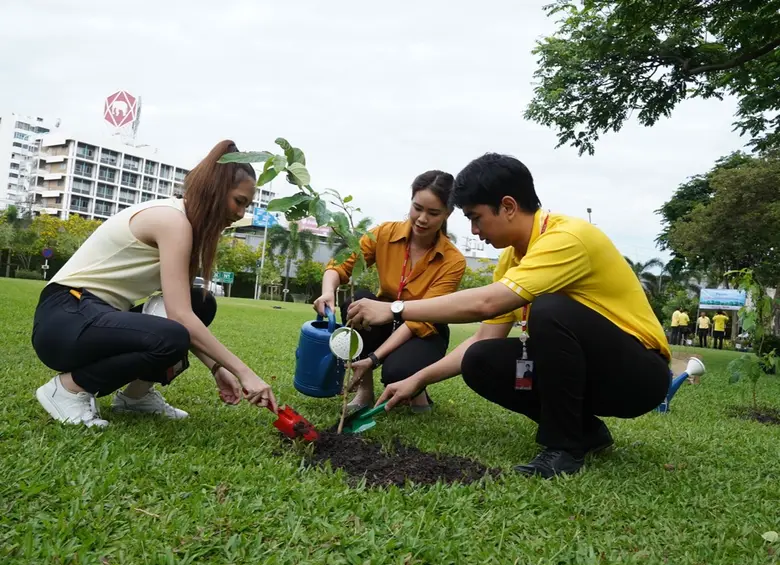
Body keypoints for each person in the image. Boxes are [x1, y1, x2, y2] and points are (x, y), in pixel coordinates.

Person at [346, 153, 671, 478]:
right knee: (480, 358)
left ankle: (564, 449)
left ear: (509, 206)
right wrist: (416, 381)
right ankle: (586, 432)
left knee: (549, 308)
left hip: (638, 376)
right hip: (591, 373)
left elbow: (487, 302)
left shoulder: (568, 238)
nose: (473, 231)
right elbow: (485, 335)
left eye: (477, 218)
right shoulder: (512, 260)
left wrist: (394, 308)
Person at [31, 140, 278, 428]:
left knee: (201, 303)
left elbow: (182, 311)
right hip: (66, 317)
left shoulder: (187, 230)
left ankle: (135, 398)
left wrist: (217, 368)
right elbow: (179, 321)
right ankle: (68, 388)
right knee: (173, 335)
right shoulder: (171, 220)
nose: (240, 213)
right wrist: (244, 372)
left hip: (96, 316)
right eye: (239, 201)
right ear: (215, 191)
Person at [313, 170, 466, 412]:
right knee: (359, 301)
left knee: (397, 371)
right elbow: (341, 266)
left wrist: (374, 359)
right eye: (417, 208)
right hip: (382, 320)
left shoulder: (452, 260)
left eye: (433, 213)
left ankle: (416, 386)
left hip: (423, 329)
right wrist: (327, 291)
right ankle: (364, 392)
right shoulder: (384, 233)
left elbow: (420, 321)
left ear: (448, 213)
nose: (422, 218)